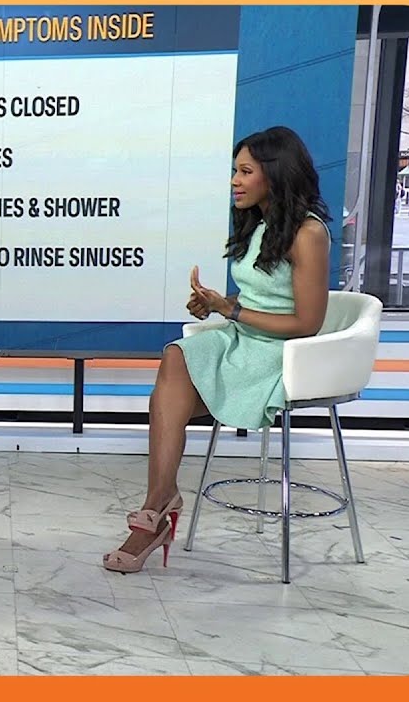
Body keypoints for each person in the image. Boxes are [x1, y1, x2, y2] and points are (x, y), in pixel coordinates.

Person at [103, 126, 332, 573]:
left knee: (173, 391)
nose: (234, 181)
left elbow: (307, 323)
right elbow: (260, 297)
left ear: (275, 173)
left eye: (245, 171)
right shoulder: (260, 226)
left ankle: (155, 513)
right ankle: (160, 500)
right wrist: (215, 304)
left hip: (282, 353)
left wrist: (231, 310)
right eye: (234, 171)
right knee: (175, 355)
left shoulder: (308, 234)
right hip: (244, 337)